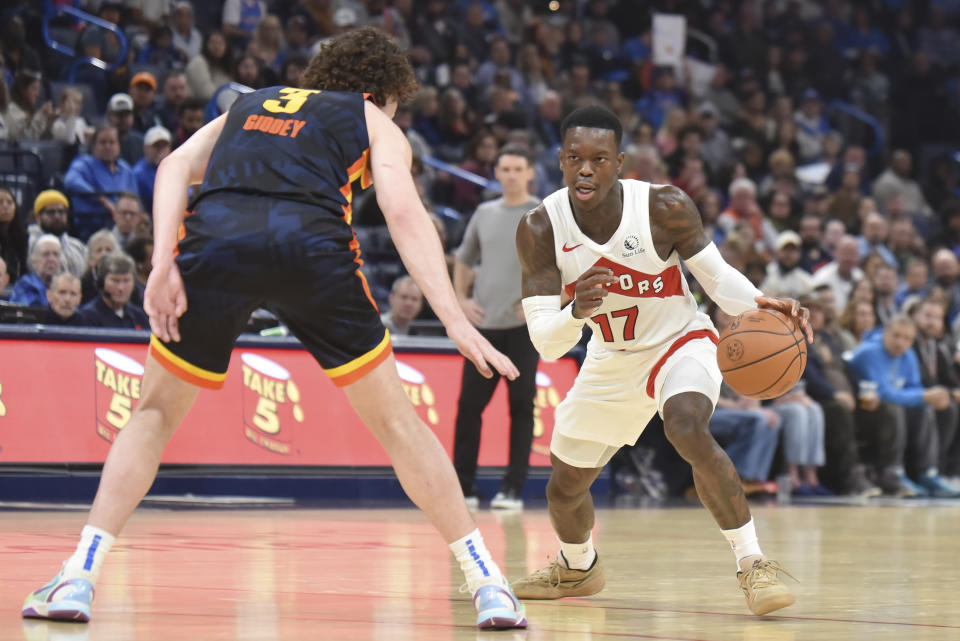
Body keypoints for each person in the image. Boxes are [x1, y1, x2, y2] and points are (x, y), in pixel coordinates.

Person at [21, 28, 526, 631]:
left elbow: (175, 166)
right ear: (380, 92)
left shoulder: (248, 102)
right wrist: (451, 319)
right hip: (310, 247)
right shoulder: (371, 118)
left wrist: (161, 265)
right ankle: (486, 582)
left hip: (217, 245)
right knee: (397, 423)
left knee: (152, 415)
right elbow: (402, 210)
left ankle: (79, 572)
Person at [511, 105, 808, 616]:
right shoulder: (540, 228)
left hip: (681, 341)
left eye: (599, 159)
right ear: (559, 161)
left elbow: (714, 279)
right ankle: (578, 566)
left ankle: (752, 563)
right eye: (575, 158)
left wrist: (760, 301)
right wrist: (574, 310)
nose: (586, 169)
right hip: (610, 359)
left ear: (619, 162)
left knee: (686, 425)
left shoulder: (664, 207)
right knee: (563, 490)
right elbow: (547, 343)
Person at [452, 145, 541, 510]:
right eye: (505, 168)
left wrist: (542, 301)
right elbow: (464, 257)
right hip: (484, 327)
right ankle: (464, 488)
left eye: (518, 168)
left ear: (530, 172)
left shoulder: (543, 213)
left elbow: (566, 261)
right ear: (497, 172)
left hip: (523, 329)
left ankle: (512, 489)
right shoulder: (484, 213)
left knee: (521, 407)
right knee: (469, 407)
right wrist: (460, 298)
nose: (511, 175)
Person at [849, 314, 959, 497]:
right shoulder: (869, 353)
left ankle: (928, 473)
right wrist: (924, 395)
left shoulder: (907, 354)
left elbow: (914, 386)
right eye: (896, 336)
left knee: (927, 409)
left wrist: (926, 397)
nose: (901, 342)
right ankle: (894, 472)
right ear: (885, 333)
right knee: (898, 408)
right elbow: (884, 393)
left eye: (907, 338)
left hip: (889, 408)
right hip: (864, 410)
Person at [63, 126, 139, 241]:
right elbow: (70, 180)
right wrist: (100, 198)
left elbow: (135, 199)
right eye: (103, 143)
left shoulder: (126, 170)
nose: (108, 146)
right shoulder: (84, 164)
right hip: (90, 227)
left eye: (112, 142)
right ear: (94, 147)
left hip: (123, 227)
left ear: (118, 147)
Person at [77, 253, 148, 329]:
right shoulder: (87, 317)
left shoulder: (139, 317)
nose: (121, 288)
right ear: (101, 282)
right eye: (115, 281)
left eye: (126, 280)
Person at [27, 190, 87, 278]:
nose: (57, 216)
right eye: (51, 212)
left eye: (61, 212)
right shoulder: (30, 243)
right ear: (38, 217)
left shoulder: (77, 245)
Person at [10, 235, 62, 307]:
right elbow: (30, 312)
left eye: (56, 254)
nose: (51, 259)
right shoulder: (25, 284)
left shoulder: (65, 287)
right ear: (33, 261)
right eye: (46, 254)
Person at [133, 126, 173, 215]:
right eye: (156, 146)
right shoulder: (138, 173)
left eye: (164, 146)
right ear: (145, 148)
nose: (160, 150)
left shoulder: (175, 168)